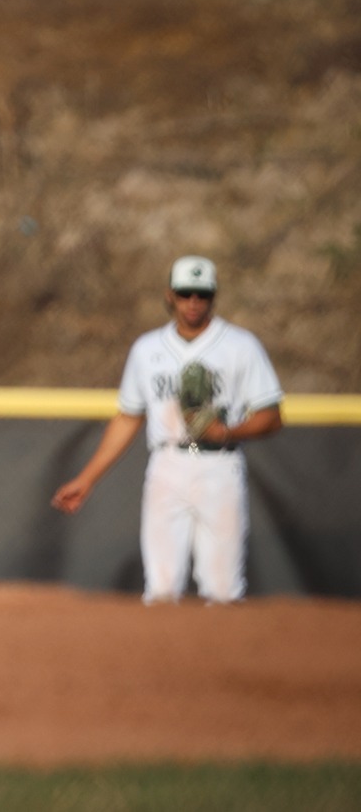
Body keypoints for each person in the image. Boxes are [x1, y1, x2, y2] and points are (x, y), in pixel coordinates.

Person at [51, 255, 284, 604]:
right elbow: (128, 417)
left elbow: (272, 416)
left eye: (202, 294)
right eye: (185, 293)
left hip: (219, 466)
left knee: (223, 591)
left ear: (214, 297)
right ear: (170, 295)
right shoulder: (147, 349)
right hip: (168, 463)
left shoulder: (240, 345)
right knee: (161, 588)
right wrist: (87, 478)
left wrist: (226, 432)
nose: (193, 302)